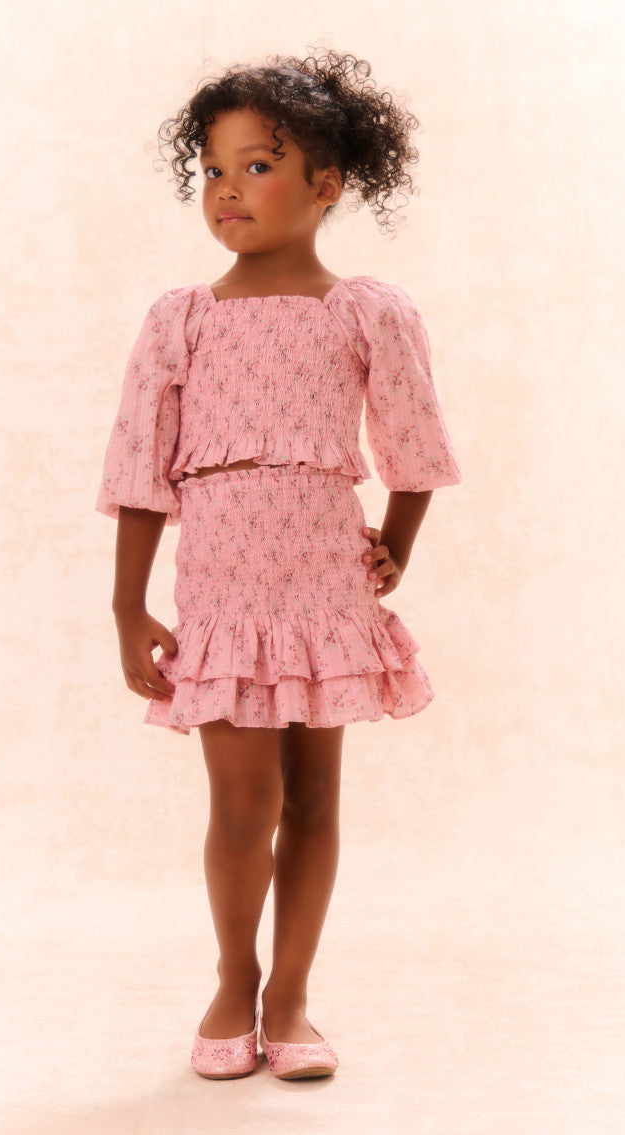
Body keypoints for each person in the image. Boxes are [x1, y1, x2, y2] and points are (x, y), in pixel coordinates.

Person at [95, 48, 463, 1081]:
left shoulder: (366, 311)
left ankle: (291, 997)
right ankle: (233, 978)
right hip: (219, 588)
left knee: (311, 798)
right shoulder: (181, 319)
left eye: (257, 167)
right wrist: (127, 604)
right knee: (239, 803)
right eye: (212, 171)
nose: (227, 190)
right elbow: (139, 467)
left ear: (326, 184)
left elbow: (414, 445)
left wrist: (396, 542)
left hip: (321, 584)